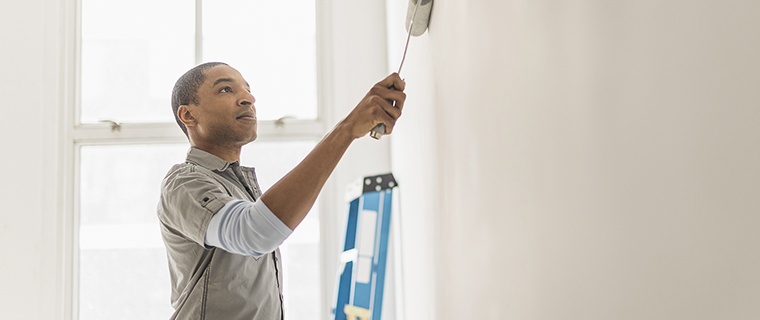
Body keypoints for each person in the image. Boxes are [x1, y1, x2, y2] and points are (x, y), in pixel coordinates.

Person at [157, 62, 405, 320]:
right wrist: (347, 129)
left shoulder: (238, 188)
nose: (248, 98)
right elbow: (255, 232)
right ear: (188, 115)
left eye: (248, 90)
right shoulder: (183, 183)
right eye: (226, 90)